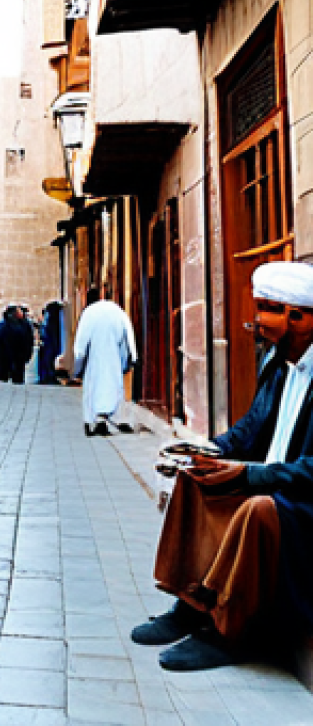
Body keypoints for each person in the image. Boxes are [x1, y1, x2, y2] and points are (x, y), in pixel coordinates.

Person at [131, 260, 313, 671]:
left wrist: (250, 475)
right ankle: (190, 606)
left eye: (265, 309)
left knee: (259, 509)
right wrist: (208, 452)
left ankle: (229, 631)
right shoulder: (277, 364)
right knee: (197, 480)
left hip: (301, 502)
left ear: (298, 317)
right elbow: (250, 429)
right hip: (274, 481)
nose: (256, 322)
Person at [73, 287, 136, 435]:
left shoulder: (88, 313)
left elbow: (80, 344)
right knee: (114, 388)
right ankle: (112, 419)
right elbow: (128, 334)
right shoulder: (116, 310)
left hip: (94, 360)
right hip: (114, 358)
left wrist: (78, 364)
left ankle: (93, 421)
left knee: (93, 390)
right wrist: (131, 357)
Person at [0, 304, 35, 384]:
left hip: (6, 359)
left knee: (4, 381)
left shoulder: (0, 326)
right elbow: (28, 342)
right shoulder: (23, 326)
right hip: (16, 359)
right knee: (16, 380)